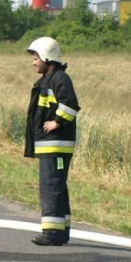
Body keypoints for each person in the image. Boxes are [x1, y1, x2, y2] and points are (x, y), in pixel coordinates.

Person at [25, 37, 80, 246]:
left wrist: (57, 122)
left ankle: (52, 233)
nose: (33, 62)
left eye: (36, 57)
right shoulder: (48, 80)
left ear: (47, 57)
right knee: (56, 186)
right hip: (49, 145)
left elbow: (70, 105)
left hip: (56, 145)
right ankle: (61, 231)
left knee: (51, 187)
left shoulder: (60, 79)